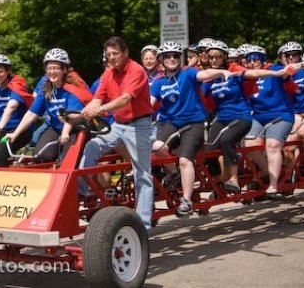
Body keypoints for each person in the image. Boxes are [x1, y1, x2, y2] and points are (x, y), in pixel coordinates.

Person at [150, 41, 234, 217]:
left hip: (194, 122)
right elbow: (148, 104)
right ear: (162, 60)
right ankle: (175, 174)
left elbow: (204, 75)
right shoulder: (159, 82)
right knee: (157, 148)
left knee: (184, 160)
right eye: (167, 56)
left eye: (175, 56)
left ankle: (186, 201)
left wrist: (221, 71)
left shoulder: (187, 73)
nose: (172, 59)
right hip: (171, 122)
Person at [79, 36, 154, 229]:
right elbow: (97, 99)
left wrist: (100, 110)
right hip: (119, 125)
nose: (112, 58)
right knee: (92, 146)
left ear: (125, 53)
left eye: (115, 54)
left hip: (139, 125)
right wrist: (83, 113)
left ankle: (143, 225)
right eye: (108, 54)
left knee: (142, 174)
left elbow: (124, 100)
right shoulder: (108, 74)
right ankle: (80, 193)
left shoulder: (136, 70)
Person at [202, 40, 288, 193]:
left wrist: (276, 73)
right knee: (208, 150)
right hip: (222, 118)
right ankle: (220, 182)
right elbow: (197, 94)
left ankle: (234, 180)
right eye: (211, 57)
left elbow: (254, 73)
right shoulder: (209, 77)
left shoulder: (234, 72)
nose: (214, 60)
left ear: (225, 57)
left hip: (241, 117)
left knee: (227, 140)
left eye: (218, 57)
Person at [5, 48, 92, 163]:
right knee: (40, 156)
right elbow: (32, 113)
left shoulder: (72, 89)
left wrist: (65, 133)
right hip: (56, 127)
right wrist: (15, 134)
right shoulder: (46, 89)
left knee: (67, 159)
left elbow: (72, 117)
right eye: (49, 68)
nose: (52, 72)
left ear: (65, 69)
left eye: (56, 68)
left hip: (75, 128)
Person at [243, 45, 297, 198]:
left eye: (255, 58)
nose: (252, 62)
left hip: (281, 114)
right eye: (248, 59)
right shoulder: (247, 76)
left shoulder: (274, 70)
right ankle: (269, 171)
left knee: (272, 145)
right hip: (258, 116)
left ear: (263, 59)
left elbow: (288, 71)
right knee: (250, 145)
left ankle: (273, 185)